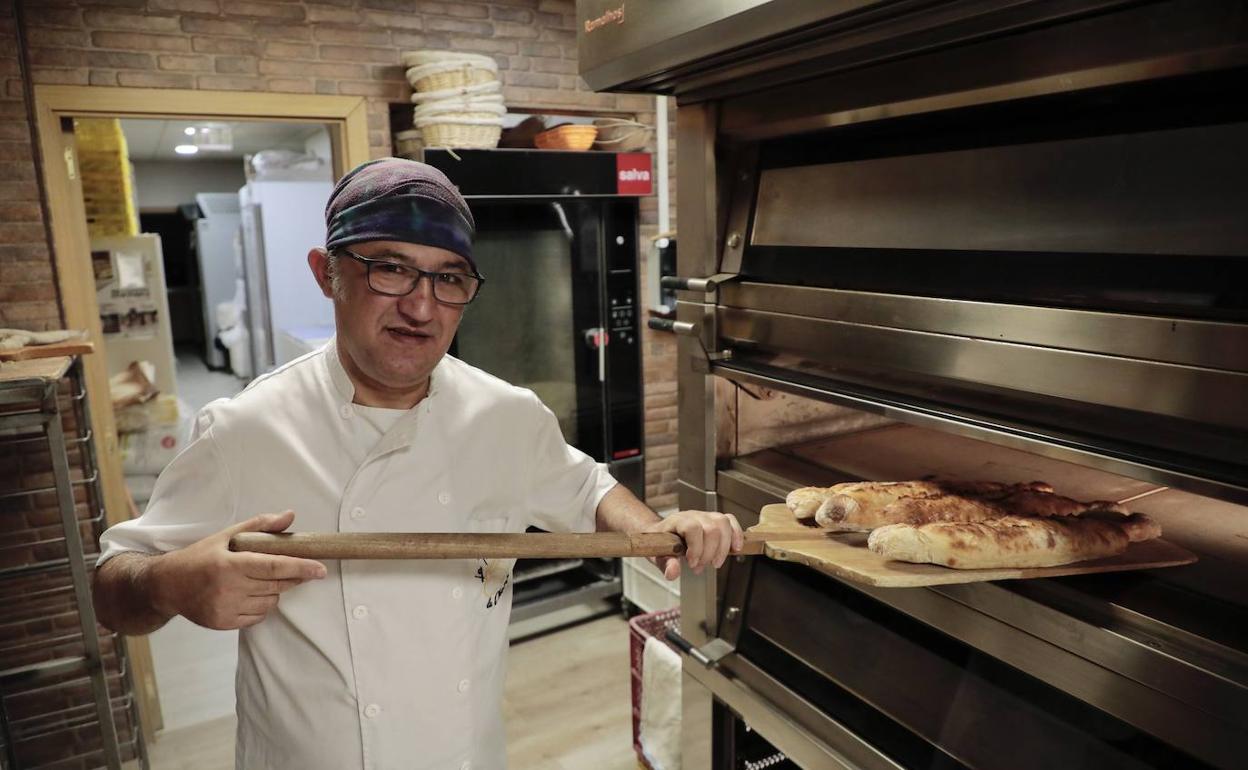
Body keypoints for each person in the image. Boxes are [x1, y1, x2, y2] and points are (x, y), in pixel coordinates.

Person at [93, 158, 743, 770]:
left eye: (448, 277)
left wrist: (662, 532)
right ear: (328, 273)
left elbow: (585, 484)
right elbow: (111, 588)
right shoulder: (247, 430)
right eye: (391, 269)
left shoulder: (505, 416)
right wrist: (171, 583)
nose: (422, 306)